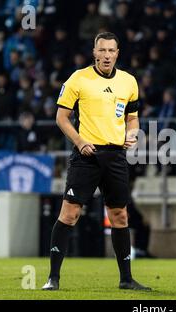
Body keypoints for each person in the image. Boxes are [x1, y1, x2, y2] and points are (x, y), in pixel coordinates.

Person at [42, 32, 151, 291]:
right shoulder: (78, 78)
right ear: (94, 52)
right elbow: (61, 117)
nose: (106, 55)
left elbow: (132, 117)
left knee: (120, 216)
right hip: (86, 156)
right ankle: (53, 278)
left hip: (115, 157)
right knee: (70, 214)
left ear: (117, 53)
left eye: (111, 51)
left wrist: (132, 133)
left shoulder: (129, 82)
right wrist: (80, 142)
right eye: (102, 50)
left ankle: (126, 279)